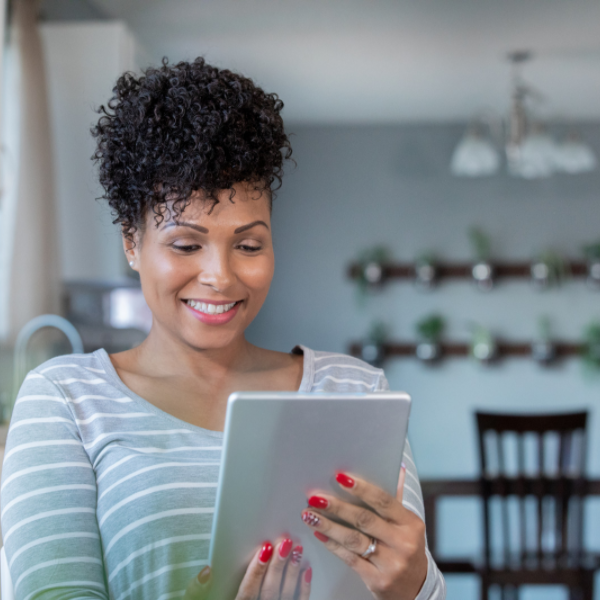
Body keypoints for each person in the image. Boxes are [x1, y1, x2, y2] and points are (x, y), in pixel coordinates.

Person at [1, 58, 445, 600]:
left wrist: (414, 585)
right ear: (132, 242)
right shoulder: (66, 402)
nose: (221, 276)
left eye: (249, 244)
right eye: (187, 244)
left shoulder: (355, 391)